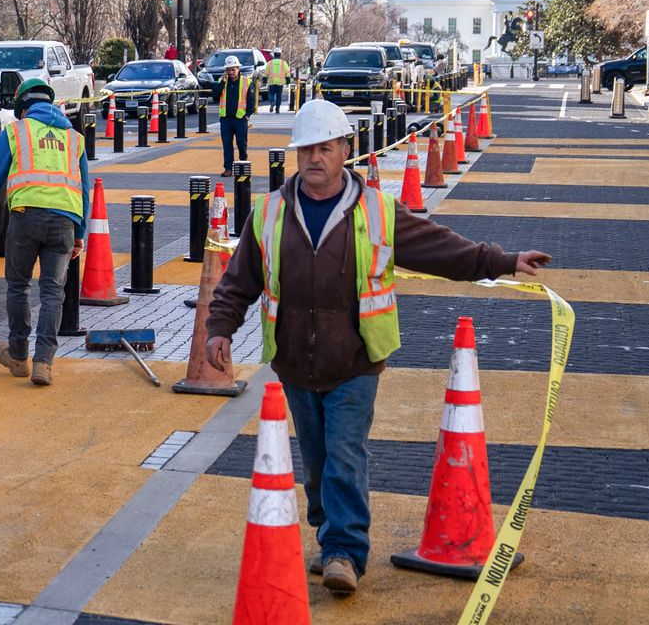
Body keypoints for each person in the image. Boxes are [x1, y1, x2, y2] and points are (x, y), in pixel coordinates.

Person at [204, 99, 550, 597]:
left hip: (355, 361)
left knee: (345, 453)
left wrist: (504, 259)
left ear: (345, 150)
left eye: (325, 148)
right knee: (319, 462)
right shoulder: (272, 212)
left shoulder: (377, 211)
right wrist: (220, 328)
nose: (314, 158)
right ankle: (330, 536)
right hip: (295, 364)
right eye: (306, 149)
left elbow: (443, 249)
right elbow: (240, 281)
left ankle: (345, 551)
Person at [0, 78, 91, 386]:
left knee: (19, 285)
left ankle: (18, 356)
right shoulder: (74, 138)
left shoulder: (17, 131)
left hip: (26, 216)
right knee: (54, 290)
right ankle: (43, 363)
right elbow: (85, 189)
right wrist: (81, 232)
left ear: (21, 107)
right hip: (65, 220)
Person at [210, 55, 254, 176]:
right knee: (227, 144)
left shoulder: (247, 81)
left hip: (240, 119)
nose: (231, 72)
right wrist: (222, 83)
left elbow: (251, 100)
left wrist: (248, 115)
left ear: (238, 69)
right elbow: (215, 95)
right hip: (226, 119)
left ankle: (243, 161)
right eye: (228, 70)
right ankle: (228, 168)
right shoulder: (222, 81)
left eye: (233, 69)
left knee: (241, 142)